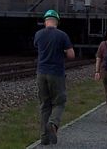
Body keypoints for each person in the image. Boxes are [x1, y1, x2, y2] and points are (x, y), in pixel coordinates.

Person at [34, 9, 75, 145]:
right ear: (56, 21)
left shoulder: (38, 34)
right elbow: (71, 55)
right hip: (56, 73)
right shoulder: (62, 35)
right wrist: (63, 50)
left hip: (41, 73)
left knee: (44, 105)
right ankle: (53, 123)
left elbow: (38, 47)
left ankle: (44, 138)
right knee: (59, 102)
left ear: (45, 21)